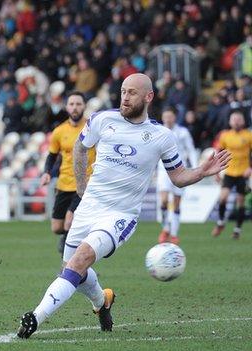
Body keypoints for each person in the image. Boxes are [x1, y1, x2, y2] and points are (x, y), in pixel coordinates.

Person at [17, 73, 230, 339]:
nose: (125, 98)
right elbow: (81, 148)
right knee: (71, 269)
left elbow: (178, 177)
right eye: (123, 91)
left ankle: (35, 318)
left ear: (148, 97)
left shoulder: (161, 137)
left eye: (132, 93)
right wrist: (82, 188)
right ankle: (102, 302)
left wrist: (201, 171)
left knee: (80, 260)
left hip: (120, 215)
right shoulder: (102, 120)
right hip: (89, 207)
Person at [40, 92, 96, 254]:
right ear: (66, 107)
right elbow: (52, 155)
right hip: (64, 184)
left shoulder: (92, 128)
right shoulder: (59, 131)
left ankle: (73, 266)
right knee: (57, 227)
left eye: (78, 104)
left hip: (85, 184)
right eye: (71, 104)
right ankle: (70, 243)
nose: (75, 107)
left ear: (84, 106)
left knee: (69, 222)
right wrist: (47, 173)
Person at [157, 108, 198, 245]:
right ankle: (166, 229)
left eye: (170, 116)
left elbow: (191, 150)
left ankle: (174, 234)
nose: (168, 119)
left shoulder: (183, 132)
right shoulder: (157, 131)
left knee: (176, 203)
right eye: (165, 116)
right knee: (163, 201)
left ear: (174, 117)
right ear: (162, 118)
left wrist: (195, 168)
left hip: (181, 170)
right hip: (163, 170)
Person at [211, 111, 252, 239]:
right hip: (229, 172)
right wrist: (216, 171)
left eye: (238, 119)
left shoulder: (249, 135)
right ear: (229, 121)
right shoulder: (224, 135)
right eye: (234, 119)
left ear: (243, 121)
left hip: (243, 173)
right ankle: (221, 222)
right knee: (223, 197)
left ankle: (237, 230)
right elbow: (217, 154)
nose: (236, 121)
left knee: (241, 202)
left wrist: (250, 168)